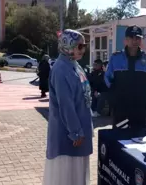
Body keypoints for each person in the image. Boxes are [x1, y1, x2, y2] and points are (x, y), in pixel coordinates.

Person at [43, 29, 92, 185]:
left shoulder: (74, 64)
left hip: (78, 130)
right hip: (68, 135)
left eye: (84, 46)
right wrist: (76, 132)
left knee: (76, 175)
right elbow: (66, 105)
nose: (83, 49)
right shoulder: (61, 69)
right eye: (80, 46)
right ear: (68, 45)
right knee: (67, 176)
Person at [105, 25, 146, 134]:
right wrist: (115, 96)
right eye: (131, 38)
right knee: (120, 138)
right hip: (121, 108)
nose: (135, 41)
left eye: (137, 38)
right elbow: (108, 78)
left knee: (139, 138)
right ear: (125, 40)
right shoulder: (116, 58)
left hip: (139, 108)